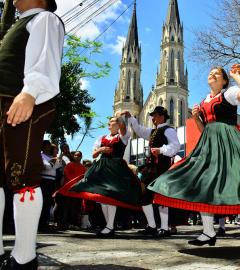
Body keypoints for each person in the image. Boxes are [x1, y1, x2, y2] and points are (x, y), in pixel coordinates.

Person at [148, 65, 240, 253]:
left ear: (224, 80)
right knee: (205, 185)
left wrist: (238, 76)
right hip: (210, 145)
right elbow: (205, 129)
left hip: (230, 144)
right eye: (210, 72)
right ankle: (208, 231)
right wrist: (196, 118)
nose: (212, 74)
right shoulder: (204, 100)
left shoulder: (228, 94)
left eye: (217, 73)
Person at [0, 0, 64, 268]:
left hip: (21, 102)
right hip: (5, 104)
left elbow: (45, 58)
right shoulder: (15, 25)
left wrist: (29, 93)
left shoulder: (44, 19)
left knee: (22, 173)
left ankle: (24, 258)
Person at [57, 116, 143, 237]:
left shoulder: (123, 136)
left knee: (110, 196)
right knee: (102, 197)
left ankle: (110, 225)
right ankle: (108, 225)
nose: (110, 123)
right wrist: (101, 149)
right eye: (110, 122)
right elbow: (93, 154)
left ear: (118, 125)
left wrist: (122, 117)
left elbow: (124, 127)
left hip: (115, 168)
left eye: (113, 122)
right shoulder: (101, 138)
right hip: (102, 167)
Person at [123, 106, 180, 238]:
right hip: (150, 168)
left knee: (161, 197)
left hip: (162, 167)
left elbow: (175, 146)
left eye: (154, 115)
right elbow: (139, 130)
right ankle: (152, 226)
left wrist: (161, 150)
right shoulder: (154, 131)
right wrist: (131, 117)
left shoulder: (169, 130)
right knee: (144, 196)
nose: (152, 118)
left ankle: (164, 228)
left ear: (161, 116)